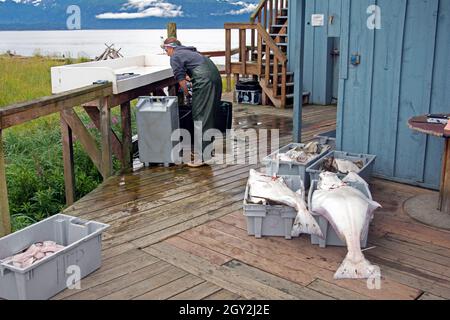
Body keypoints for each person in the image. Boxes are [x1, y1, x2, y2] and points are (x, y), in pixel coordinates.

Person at [162, 37, 222, 167]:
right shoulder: (189, 51)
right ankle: (206, 152)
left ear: (170, 47)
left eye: (165, 49)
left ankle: (202, 157)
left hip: (205, 82)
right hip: (215, 77)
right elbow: (195, 67)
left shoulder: (175, 56)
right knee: (208, 115)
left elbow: (181, 79)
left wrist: (186, 93)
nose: (165, 53)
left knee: (200, 116)